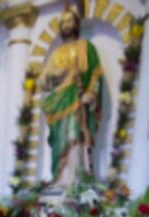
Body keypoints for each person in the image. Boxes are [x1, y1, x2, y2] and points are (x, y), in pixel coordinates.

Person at [38, 6, 103, 190]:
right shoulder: (56, 53)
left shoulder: (86, 47)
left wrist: (91, 93)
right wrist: (49, 78)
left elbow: (96, 74)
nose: (66, 25)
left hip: (75, 100)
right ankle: (59, 180)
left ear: (76, 24)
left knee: (74, 137)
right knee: (59, 141)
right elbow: (43, 80)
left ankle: (75, 182)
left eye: (69, 21)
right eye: (63, 22)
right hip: (58, 103)